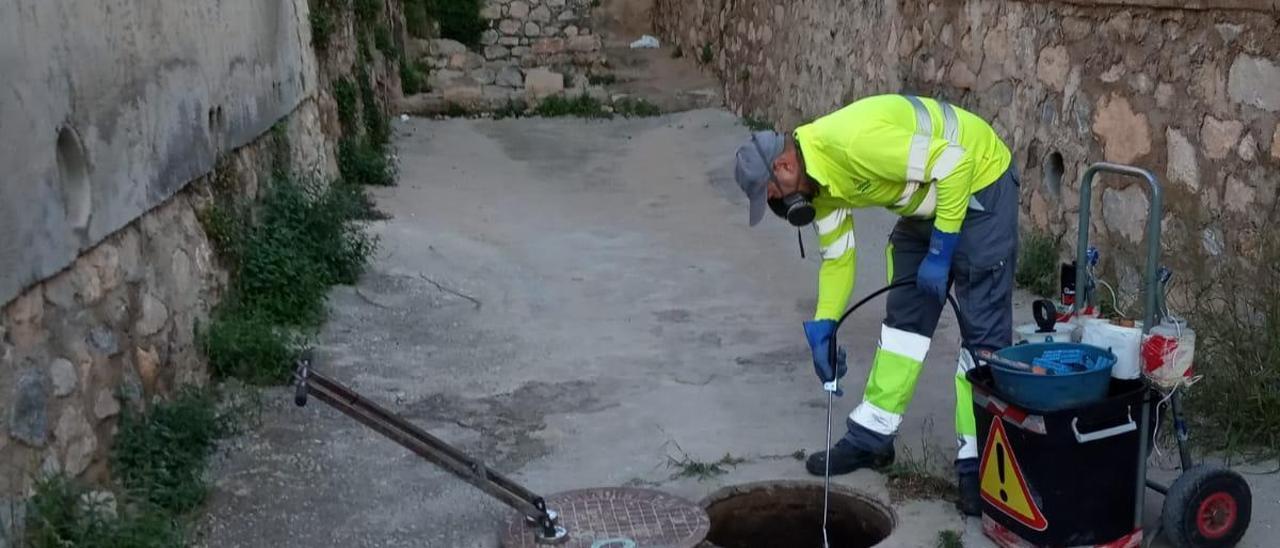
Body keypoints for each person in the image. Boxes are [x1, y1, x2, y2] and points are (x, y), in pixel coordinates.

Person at [732, 94, 1019, 515]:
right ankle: (872, 436)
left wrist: (941, 253)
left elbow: (954, 163)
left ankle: (977, 464)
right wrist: (825, 324)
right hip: (928, 202)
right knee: (905, 322)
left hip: (979, 184)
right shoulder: (819, 186)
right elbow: (839, 256)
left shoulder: (854, 145)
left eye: (772, 194)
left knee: (982, 338)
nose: (777, 204)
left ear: (785, 167)